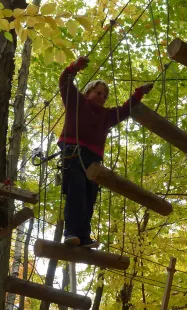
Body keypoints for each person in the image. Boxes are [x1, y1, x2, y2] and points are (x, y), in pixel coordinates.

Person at [58, 56, 154, 248]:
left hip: (93, 159)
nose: (101, 97)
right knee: (76, 190)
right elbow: (64, 83)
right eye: (98, 92)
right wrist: (73, 68)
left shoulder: (107, 115)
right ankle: (70, 233)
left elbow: (125, 110)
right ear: (88, 92)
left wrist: (139, 94)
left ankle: (84, 237)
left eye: (104, 95)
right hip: (74, 153)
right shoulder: (76, 101)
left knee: (89, 197)